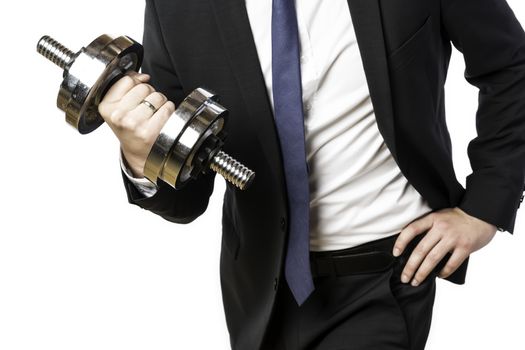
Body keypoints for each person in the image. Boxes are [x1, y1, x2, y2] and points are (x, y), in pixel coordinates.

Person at [97, 0, 525, 349]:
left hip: (382, 279)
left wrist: (485, 208)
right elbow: (186, 198)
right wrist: (139, 154)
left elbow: (510, 66)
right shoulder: (179, 8)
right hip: (259, 292)